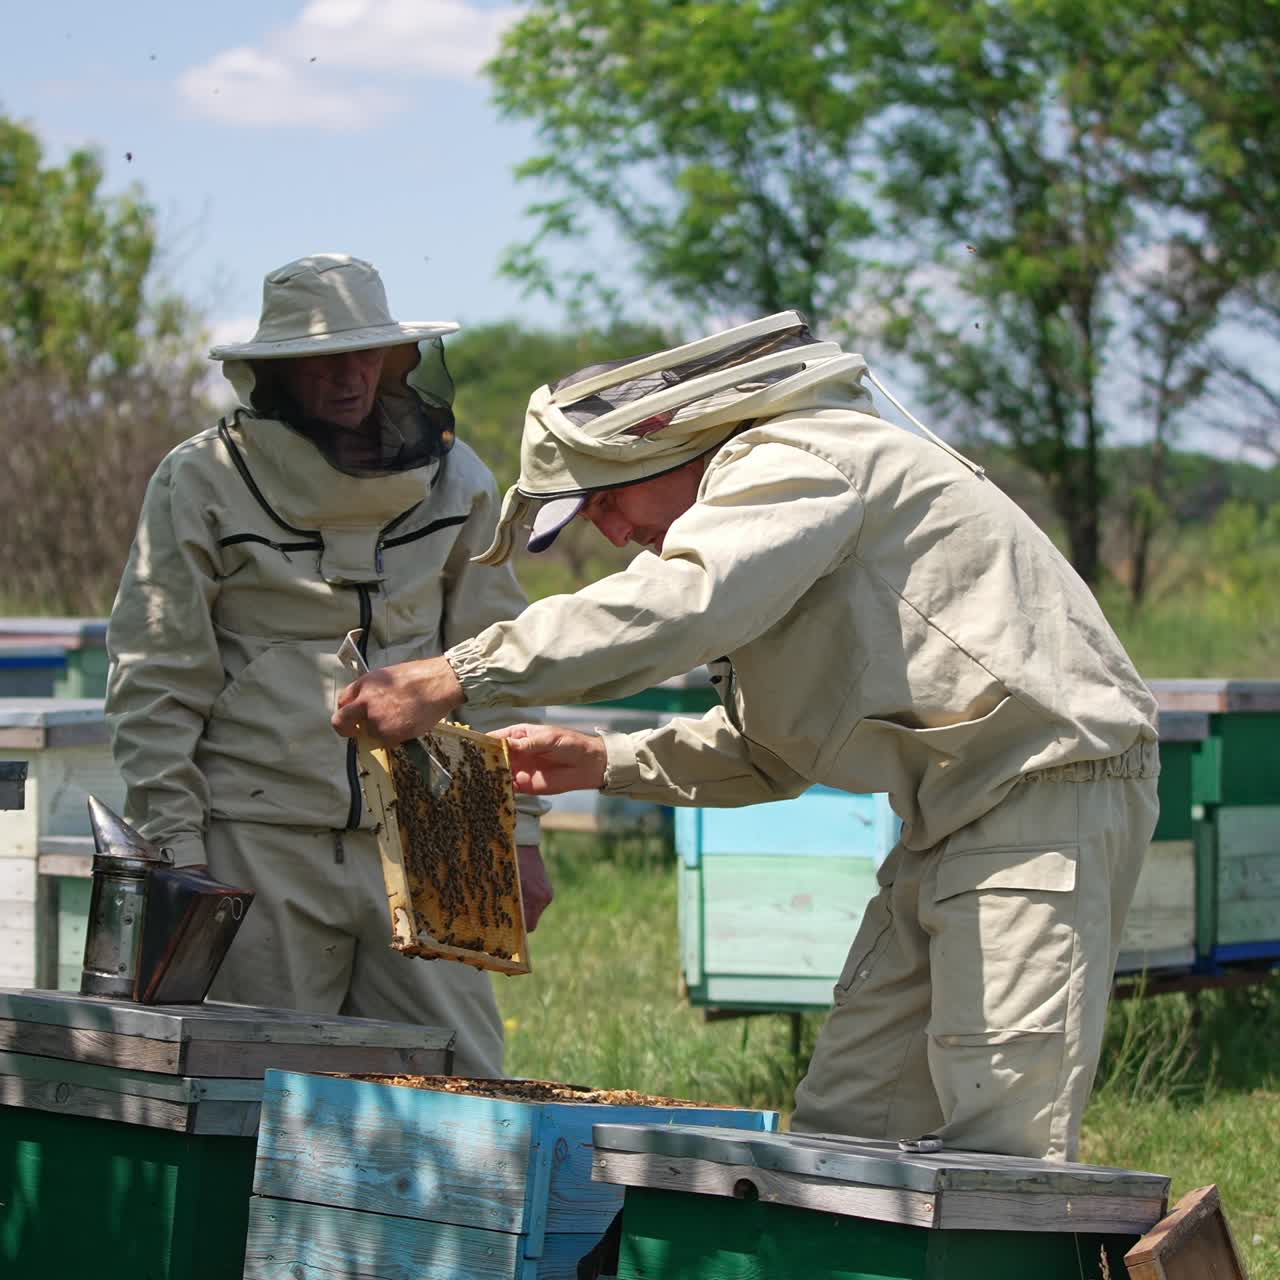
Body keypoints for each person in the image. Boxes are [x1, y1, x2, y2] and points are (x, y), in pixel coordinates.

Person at [333, 312, 1159, 1160]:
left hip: (1045, 790)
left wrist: (456, 672)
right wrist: (606, 760)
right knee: (851, 1128)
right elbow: (772, 752)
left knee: (997, 1146)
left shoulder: (792, 464)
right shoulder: (765, 524)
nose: (612, 534)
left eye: (608, 501)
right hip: (950, 817)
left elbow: (680, 604)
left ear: (660, 452)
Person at [106, 253, 550, 1077]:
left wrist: (518, 838)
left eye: (366, 353)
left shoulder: (459, 479)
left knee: (468, 1090)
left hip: (435, 824)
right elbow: (156, 673)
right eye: (323, 357)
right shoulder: (198, 480)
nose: (350, 375)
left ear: (396, 360)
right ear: (274, 370)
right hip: (258, 839)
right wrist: (176, 850)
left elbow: (498, 664)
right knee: (249, 1096)